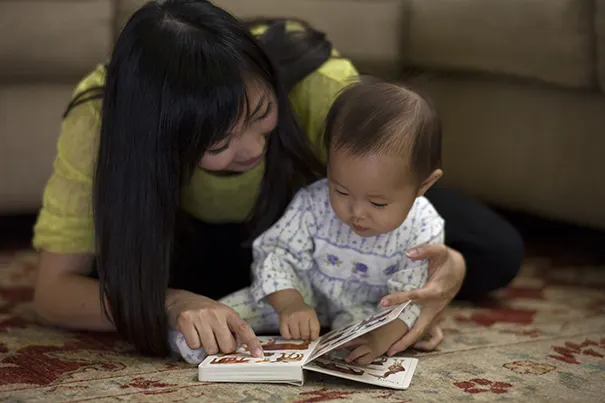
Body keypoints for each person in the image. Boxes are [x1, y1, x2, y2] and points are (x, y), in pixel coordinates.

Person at [31, 0, 523, 360]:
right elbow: (53, 294)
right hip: (191, 246)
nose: (252, 148)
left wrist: (443, 278)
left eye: (262, 113)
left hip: (325, 220)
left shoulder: (318, 83)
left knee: (492, 250)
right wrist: (171, 301)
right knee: (142, 275)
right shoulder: (102, 119)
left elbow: (388, 191)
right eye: (218, 145)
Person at [171, 80, 446, 366]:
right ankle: (194, 337)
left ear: (424, 184)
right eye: (340, 190)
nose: (356, 212)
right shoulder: (313, 202)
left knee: (404, 323)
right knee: (233, 311)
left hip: (370, 310)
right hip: (303, 291)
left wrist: (380, 339)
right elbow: (277, 253)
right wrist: (290, 303)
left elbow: (411, 297)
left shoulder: (424, 227)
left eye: (377, 203)